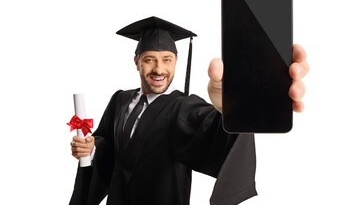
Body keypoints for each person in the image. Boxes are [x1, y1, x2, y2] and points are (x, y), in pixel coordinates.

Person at [69, 16, 309, 205]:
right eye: (150, 59)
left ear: (176, 60)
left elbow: (213, 131)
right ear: (137, 62)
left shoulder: (182, 107)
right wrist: (92, 147)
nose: (159, 68)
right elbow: (108, 146)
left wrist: (232, 109)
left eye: (167, 59)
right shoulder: (120, 100)